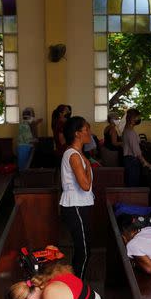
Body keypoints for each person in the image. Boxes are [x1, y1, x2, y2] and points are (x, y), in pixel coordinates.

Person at [59, 116, 94, 278]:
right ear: (77, 133)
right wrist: (88, 166)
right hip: (75, 207)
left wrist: (86, 162)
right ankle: (76, 290)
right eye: (86, 129)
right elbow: (86, 186)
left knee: (84, 249)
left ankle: (74, 286)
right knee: (84, 251)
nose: (90, 133)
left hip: (80, 205)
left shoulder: (78, 154)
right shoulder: (73, 155)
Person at [122, 108, 151, 187]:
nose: (139, 119)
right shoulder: (130, 132)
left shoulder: (127, 130)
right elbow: (136, 151)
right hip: (132, 161)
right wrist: (145, 162)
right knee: (133, 184)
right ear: (132, 119)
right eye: (137, 117)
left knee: (131, 182)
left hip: (128, 160)